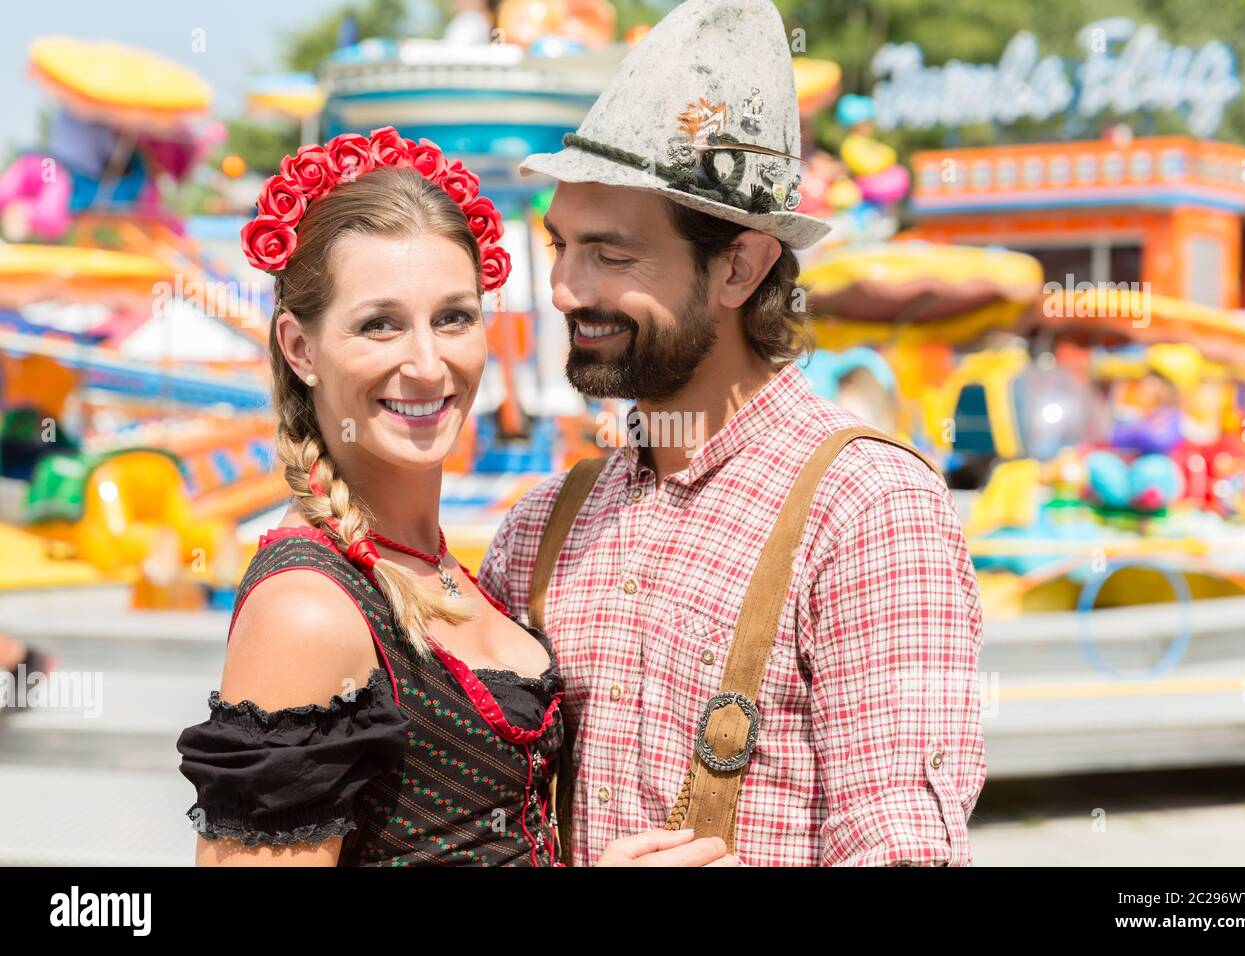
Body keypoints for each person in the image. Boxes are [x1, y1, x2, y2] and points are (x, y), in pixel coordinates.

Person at [478, 0, 987, 866]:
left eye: (611, 253)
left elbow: (904, 851)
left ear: (740, 266)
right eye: (560, 243)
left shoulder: (867, 511)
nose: (564, 286)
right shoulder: (538, 530)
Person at [175, 126, 732, 867]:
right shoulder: (306, 609)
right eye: (380, 325)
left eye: (454, 317)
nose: (428, 364)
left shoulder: (447, 566)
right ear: (300, 347)